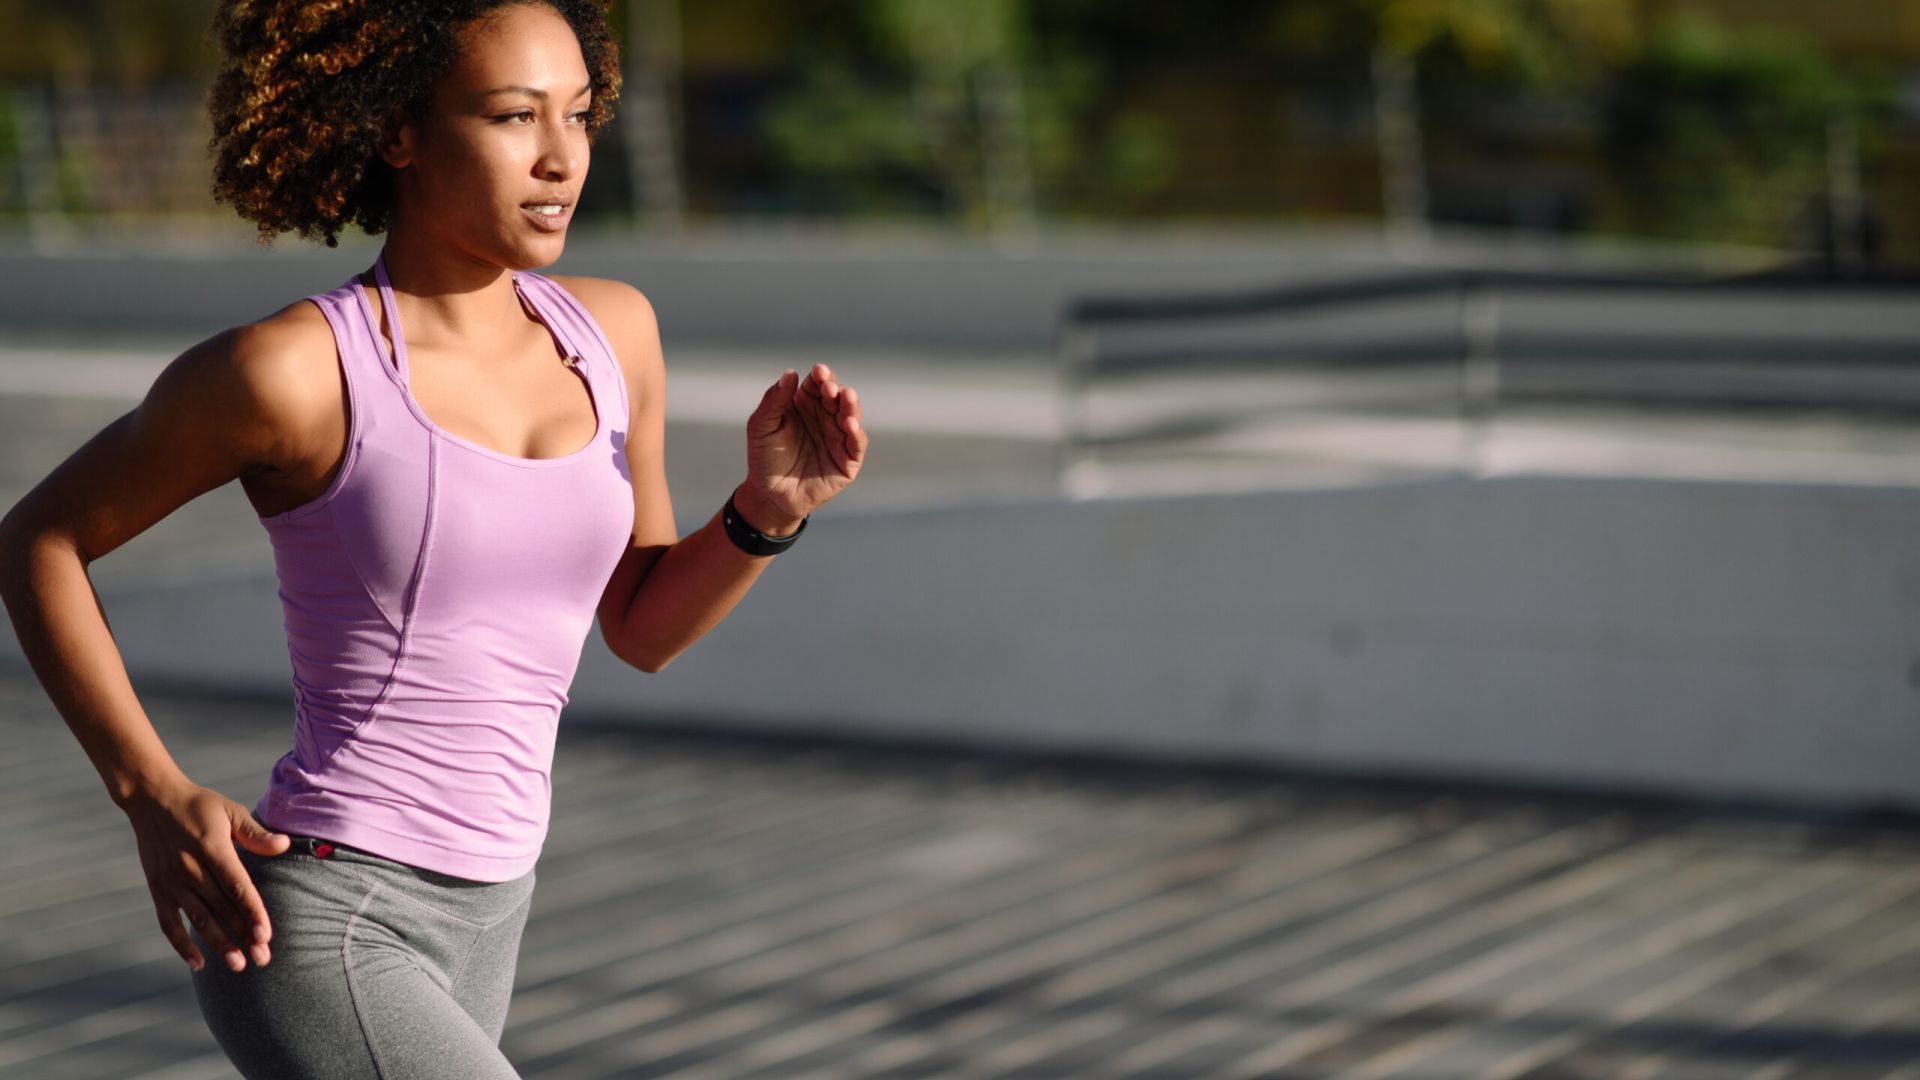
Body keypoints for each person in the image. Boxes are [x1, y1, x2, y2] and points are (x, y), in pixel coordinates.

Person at [0, 1, 867, 1076]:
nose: (560, 159)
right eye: (513, 117)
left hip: (497, 914)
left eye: (581, 116)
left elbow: (640, 628)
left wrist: (766, 512)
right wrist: (150, 794)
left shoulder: (614, 335)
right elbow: (38, 539)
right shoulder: (295, 372)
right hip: (326, 916)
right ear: (398, 130)